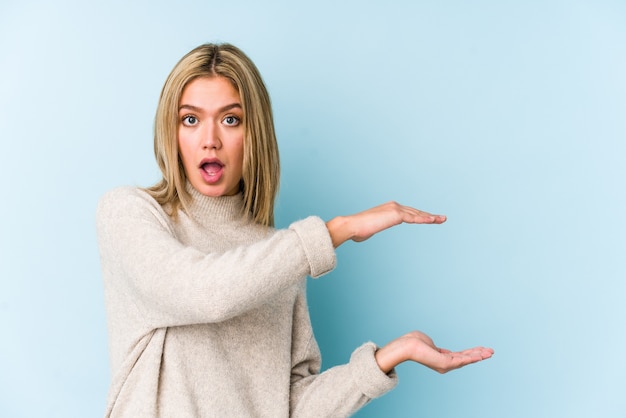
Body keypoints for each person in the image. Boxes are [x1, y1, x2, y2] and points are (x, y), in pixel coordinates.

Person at [96, 43, 493, 418]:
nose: (210, 140)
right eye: (191, 119)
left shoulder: (279, 255)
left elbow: (289, 405)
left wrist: (385, 358)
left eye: (230, 119)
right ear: (172, 131)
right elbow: (205, 293)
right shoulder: (132, 215)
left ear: (255, 134)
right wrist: (337, 230)